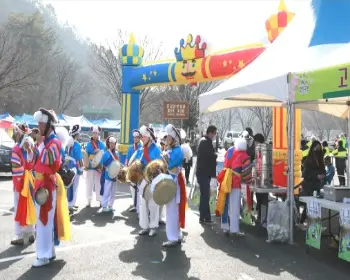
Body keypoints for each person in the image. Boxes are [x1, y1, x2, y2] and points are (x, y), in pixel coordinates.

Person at [32, 108, 67, 267]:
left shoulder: (54, 142)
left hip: (46, 186)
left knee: (43, 221)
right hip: (42, 184)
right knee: (45, 221)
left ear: (47, 125)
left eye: (40, 124)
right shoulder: (48, 141)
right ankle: (49, 251)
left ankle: (43, 255)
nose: (38, 127)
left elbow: (48, 160)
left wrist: (39, 143)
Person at [10, 122, 36, 246]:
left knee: (18, 207)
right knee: (30, 205)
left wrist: (19, 182)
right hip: (30, 180)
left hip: (21, 181)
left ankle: (19, 234)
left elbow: (16, 168)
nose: (15, 134)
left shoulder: (16, 149)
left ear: (19, 133)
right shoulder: (32, 147)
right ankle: (31, 232)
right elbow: (34, 162)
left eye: (16, 132)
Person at [221, 138, 252, 236]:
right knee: (235, 206)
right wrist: (249, 182)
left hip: (226, 180)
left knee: (225, 204)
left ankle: (225, 227)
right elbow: (247, 173)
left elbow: (224, 163)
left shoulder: (229, 151)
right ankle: (234, 229)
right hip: (236, 183)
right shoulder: (245, 156)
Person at [135, 125, 162, 236]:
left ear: (149, 137)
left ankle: (153, 226)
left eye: (144, 137)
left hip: (153, 179)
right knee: (143, 204)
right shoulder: (141, 149)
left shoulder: (156, 149)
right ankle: (145, 226)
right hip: (143, 180)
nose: (142, 139)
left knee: (153, 204)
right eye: (142, 137)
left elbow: (159, 165)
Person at [162, 124, 187, 247]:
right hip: (172, 181)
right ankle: (175, 235)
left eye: (169, 137)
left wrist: (164, 159)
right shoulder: (173, 150)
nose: (167, 139)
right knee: (173, 210)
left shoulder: (177, 151)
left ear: (174, 139)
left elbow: (169, 166)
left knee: (172, 211)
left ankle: (172, 237)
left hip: (174, 182)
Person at [299, 140, 325, 226]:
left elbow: (322, 169)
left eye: (319, 148)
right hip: (309, 185)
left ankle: (313, 224)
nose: (318, 150)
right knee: (309, 204)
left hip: (316, 184)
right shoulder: (309, 160)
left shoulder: (320, 159)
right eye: (316, 148)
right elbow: (306, 174)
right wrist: (316, 176)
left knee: (314, 204)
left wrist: (323, 175)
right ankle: (302, 221)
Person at [196, 125, 217, 225]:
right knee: (205, 196)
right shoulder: (206, 142)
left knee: (204, 195)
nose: (215, 136)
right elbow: (210, 156)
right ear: (210, 133)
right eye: (214, 133)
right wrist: (215, 156)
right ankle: (206, 218)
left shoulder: (203, 141)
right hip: (204, 173)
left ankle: (203, 217)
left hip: (202, 173)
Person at [85, 125, 106, 207]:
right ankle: (89, 200)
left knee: (99, 184)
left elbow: (103, 156)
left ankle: (100, 200)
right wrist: (91, 159)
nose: (95, 135)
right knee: (89, 184)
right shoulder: (89, 144)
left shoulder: (102, 145)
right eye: (94, 133)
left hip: (98, 168)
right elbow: (86, 155)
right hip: (90, 167)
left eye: (96, 133)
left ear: (98, 134)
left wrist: (100, 165)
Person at [66, 124, 84, 214]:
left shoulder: (67, 142)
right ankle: (70, 204)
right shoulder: (76, 145)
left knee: (68, 186)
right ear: (76, 134)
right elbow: (79, 158)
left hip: (67, 166)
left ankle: (70, 203)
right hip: (74, 167)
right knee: (74, 186)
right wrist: (81, 170)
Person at [100, 136, 119, 212]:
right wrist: (108, 169)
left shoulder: (116, 153)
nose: (112, 145)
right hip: (108, 176)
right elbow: (102, 164)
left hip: (115, 176)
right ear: (108, 144)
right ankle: (104, 206)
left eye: (113, 143)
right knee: (107, 191)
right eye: (110, 143)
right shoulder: (105, 154)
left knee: (113, 192)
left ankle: (110, 205)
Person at [125, 129, 142, 212]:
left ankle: (138, 205)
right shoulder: (131, 148)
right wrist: (126, 166)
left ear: (139, 138)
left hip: (139, 171)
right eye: (134, 138)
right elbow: (127, 158)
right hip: (131, 171)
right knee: (132, 189)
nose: (135, 139)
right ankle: (135, 204)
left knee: (139, 189)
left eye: (137, 138)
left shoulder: (141, 148)